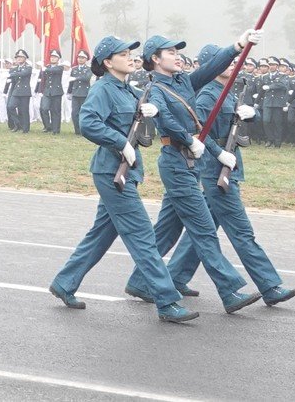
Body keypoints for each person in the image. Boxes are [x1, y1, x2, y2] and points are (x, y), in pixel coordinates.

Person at [49, 35, 196, 323]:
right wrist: (120, 142)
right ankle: (167, 302)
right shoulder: (104, 89)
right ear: (107, 62)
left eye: (131, 53)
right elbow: (88, 122)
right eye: (124, 54)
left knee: (102, 233)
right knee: (143, 237)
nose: (131, 57)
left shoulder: (129, 90)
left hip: (126, 171)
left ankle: (65, 282)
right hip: (112, 172)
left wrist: (149, 114)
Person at [122, 32, 259, 314]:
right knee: (204, 228)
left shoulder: (182, 81)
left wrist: (236, 46)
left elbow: (210, 69)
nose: (177, 55)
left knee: (168, 228)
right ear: (155, 60)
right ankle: (228, 290)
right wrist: (189, 138)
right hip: (175, 160)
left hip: (189, 161)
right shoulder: (156, 90)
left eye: (176, 51)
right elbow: (166, 120)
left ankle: (139, 281)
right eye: (170, 52)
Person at [166, 44, 295, 308]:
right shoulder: (207, 95)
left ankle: (173, 277)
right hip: (216, 170)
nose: (232, 64)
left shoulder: (227, 92)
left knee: (205, 229)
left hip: (227, 168)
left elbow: (236, 120)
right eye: (224, 62)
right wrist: (218, 154)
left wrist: (253, 114)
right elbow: (197, 132)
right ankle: (270, 285)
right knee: (241, 231)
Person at [5, 50, 33, 133]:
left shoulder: (28, 68)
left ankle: (26, 128)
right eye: (17, 57)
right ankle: (18, 123)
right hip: (16, 91)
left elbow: (23, 74)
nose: (19, 59)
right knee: (10, 107)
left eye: (21, 57)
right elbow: (12, 80)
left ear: (25, 58)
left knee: (24, 110)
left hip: (24, 91)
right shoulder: (14, 69)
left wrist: (11, 74)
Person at [39, 50, 65, 134]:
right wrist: (40, 90)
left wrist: (45, 69)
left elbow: (55, 71)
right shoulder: (47, 67)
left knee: (55, 111)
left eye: (55, 57)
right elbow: (43, 80)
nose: (53, 58)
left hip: (56, 91)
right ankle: (47, 126)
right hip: (47, 91)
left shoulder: (60, 67)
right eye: (52, 57)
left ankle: (56, 129)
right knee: (44, 108)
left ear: (58, 59)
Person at [67, 52, 92, 133]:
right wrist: (69, 92)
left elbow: (87, 78)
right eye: (79, 57)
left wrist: (76, 78)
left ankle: (83, 129)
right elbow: (71, 82)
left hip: (85, 93)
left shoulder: (89, 69)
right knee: (74, 113)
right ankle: (77, 130)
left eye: (82, 58)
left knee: (84, 113)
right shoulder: (74, 69)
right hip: (75, 93)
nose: (80, 59)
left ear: (86, 59)